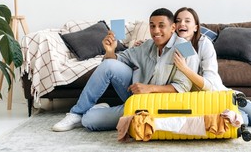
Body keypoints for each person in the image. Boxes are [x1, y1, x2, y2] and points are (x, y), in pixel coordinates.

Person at [52, 8, 200, 132]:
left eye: (161, 25)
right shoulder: (147, 45)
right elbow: (120, 59)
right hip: (135, 94)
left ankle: (93, 112)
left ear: (173, 28)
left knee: (89, 121)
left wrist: (149, 88)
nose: (156, 31)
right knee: (108, 64)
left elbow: (183, 88)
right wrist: (110, 51)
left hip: (156, 104)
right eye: (152, 26)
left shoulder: (184, 47)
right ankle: (76, 113)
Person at [173, 7, 251, 128]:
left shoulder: (204, 44)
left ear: (195, 27)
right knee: (240, 120)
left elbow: (209, 85)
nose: (181, 24)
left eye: (187, 21)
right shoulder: (177, 44)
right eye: (178, 21)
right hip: (202, 102)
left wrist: (184, 69)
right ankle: (244, 111)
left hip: (219, 95)